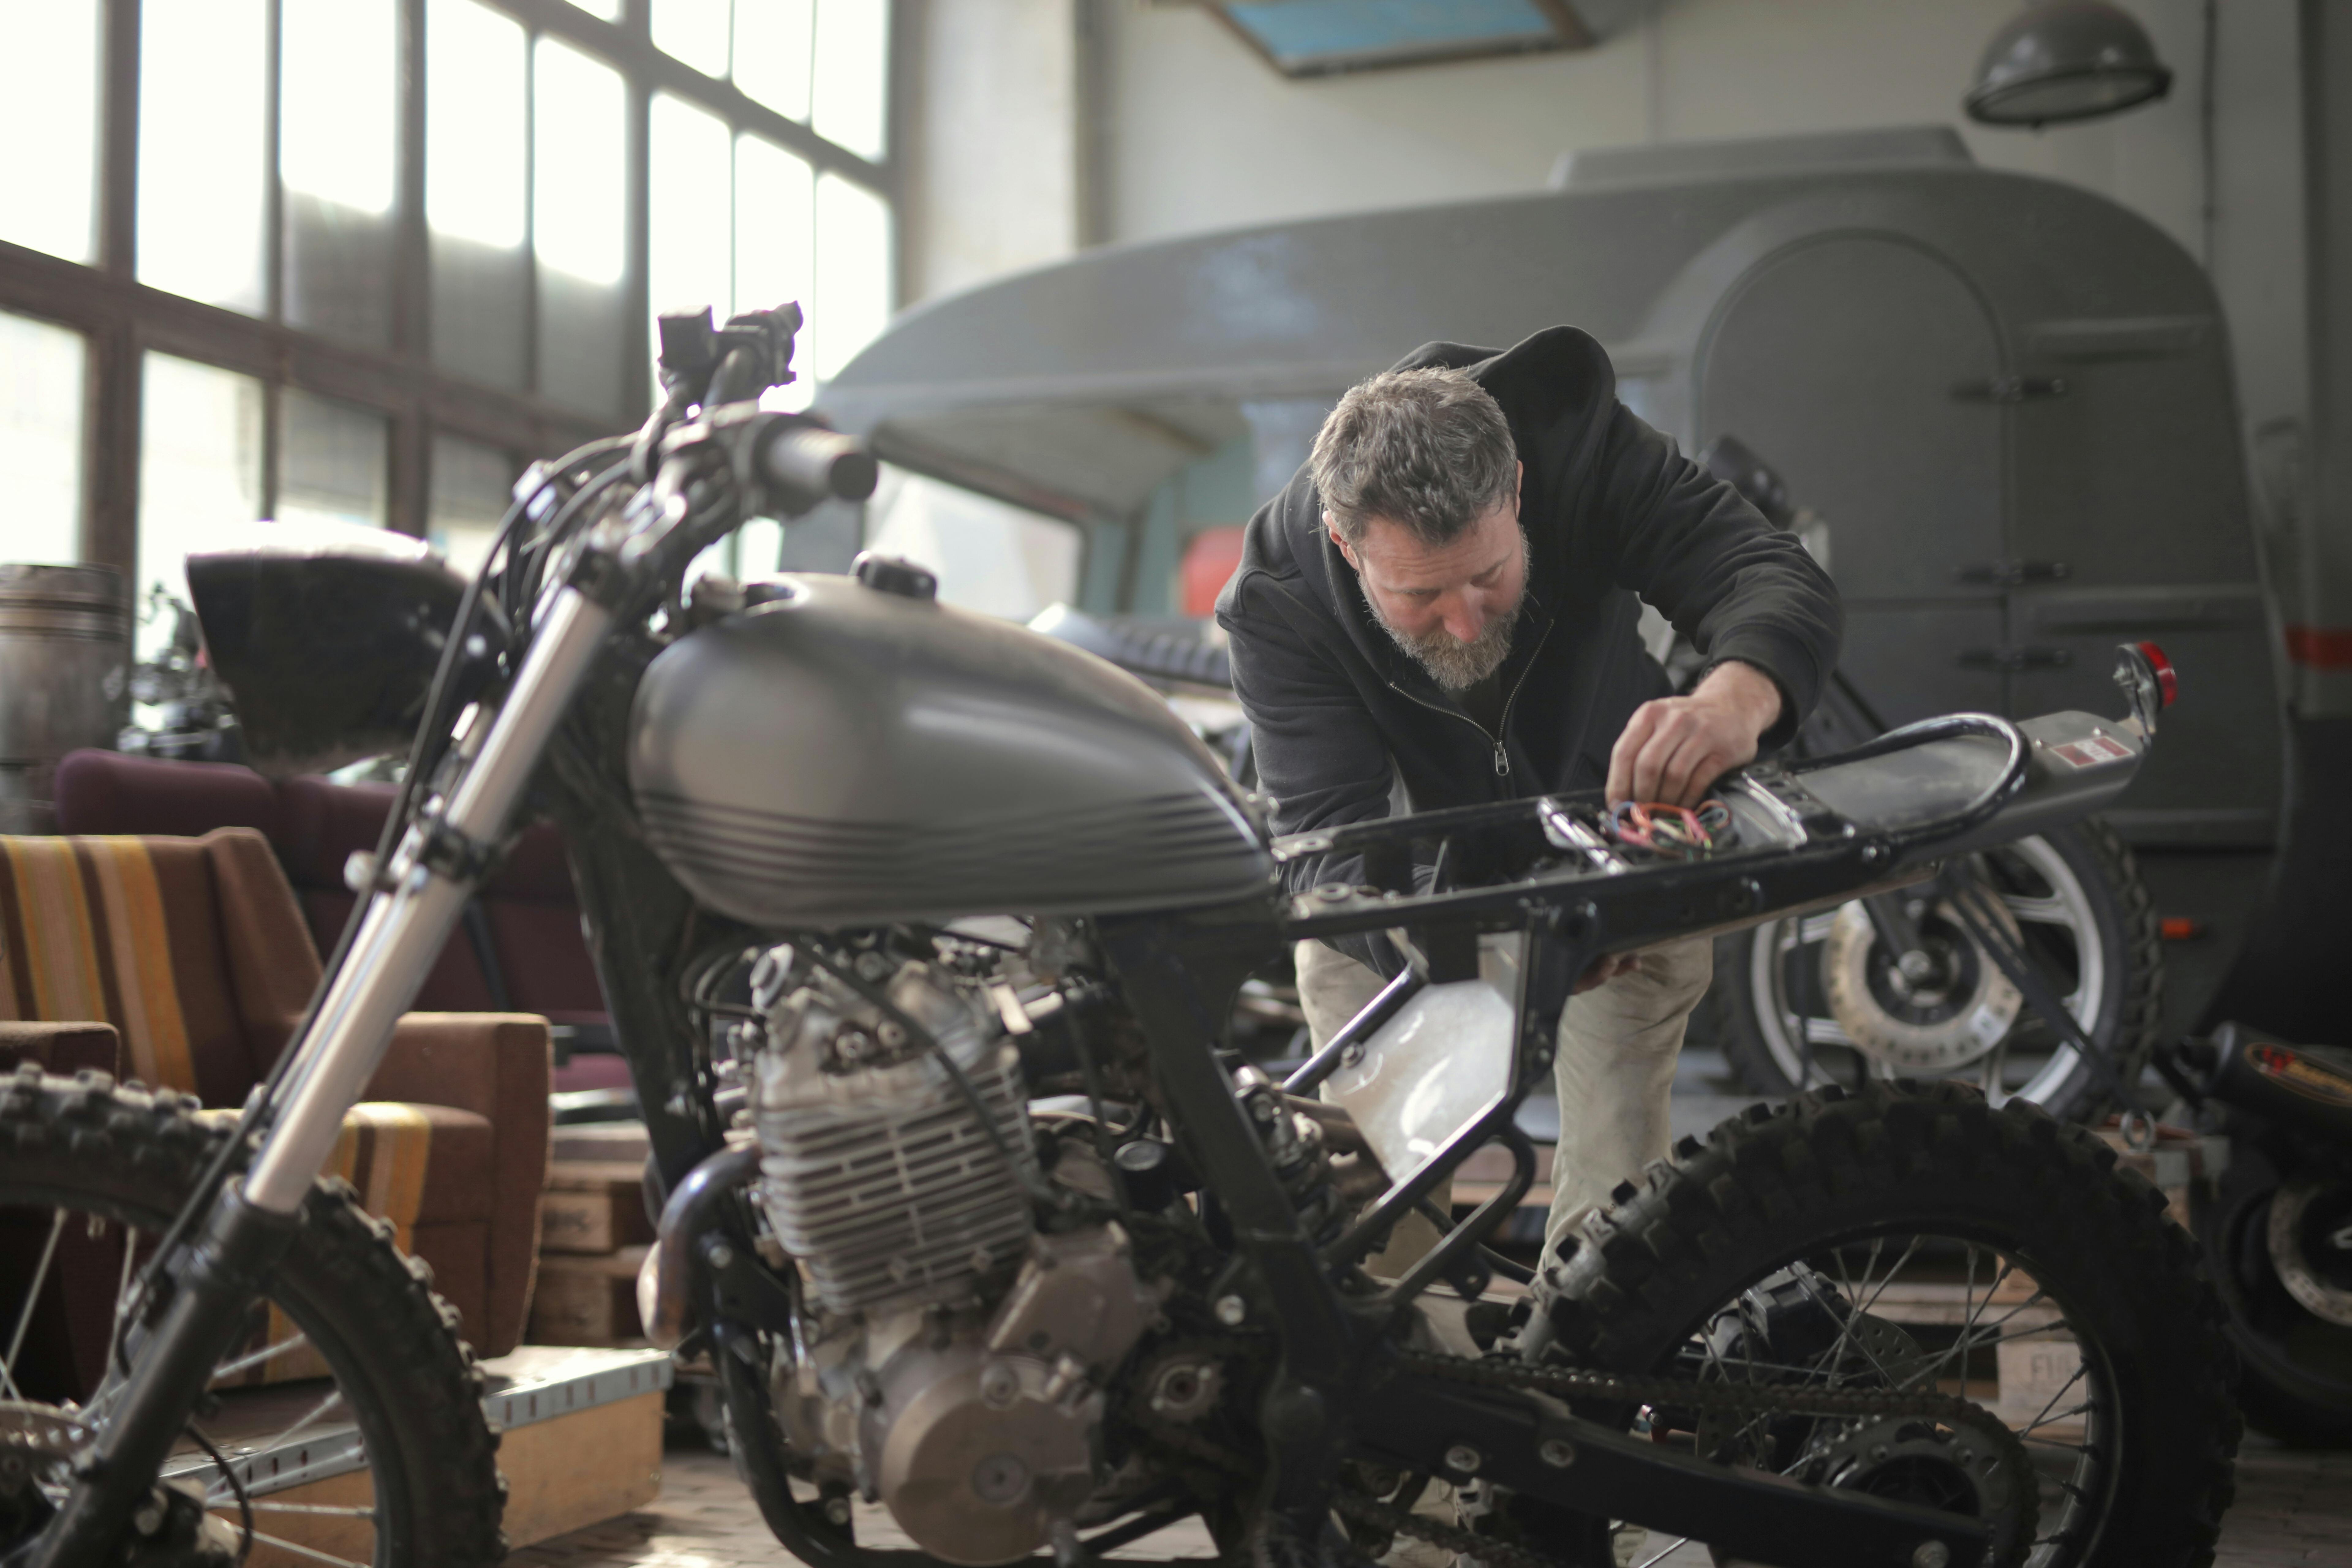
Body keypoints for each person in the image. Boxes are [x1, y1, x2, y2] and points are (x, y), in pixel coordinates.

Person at [1216, 326, 1841, 1265]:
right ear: (1347, 547)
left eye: (1490, 574)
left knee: (1620, 1181)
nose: (1466, 621)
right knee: (1367, 1183)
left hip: (1618, 840)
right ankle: (1416, 1383)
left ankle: (1597, 1351)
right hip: (1393, 897)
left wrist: (1732, 699)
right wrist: (1495, 935)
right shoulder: (1279, 594)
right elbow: (1330, 844)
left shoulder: (1577, 452)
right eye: (1419, 597)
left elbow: (1763, 571)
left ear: (1515, 492)